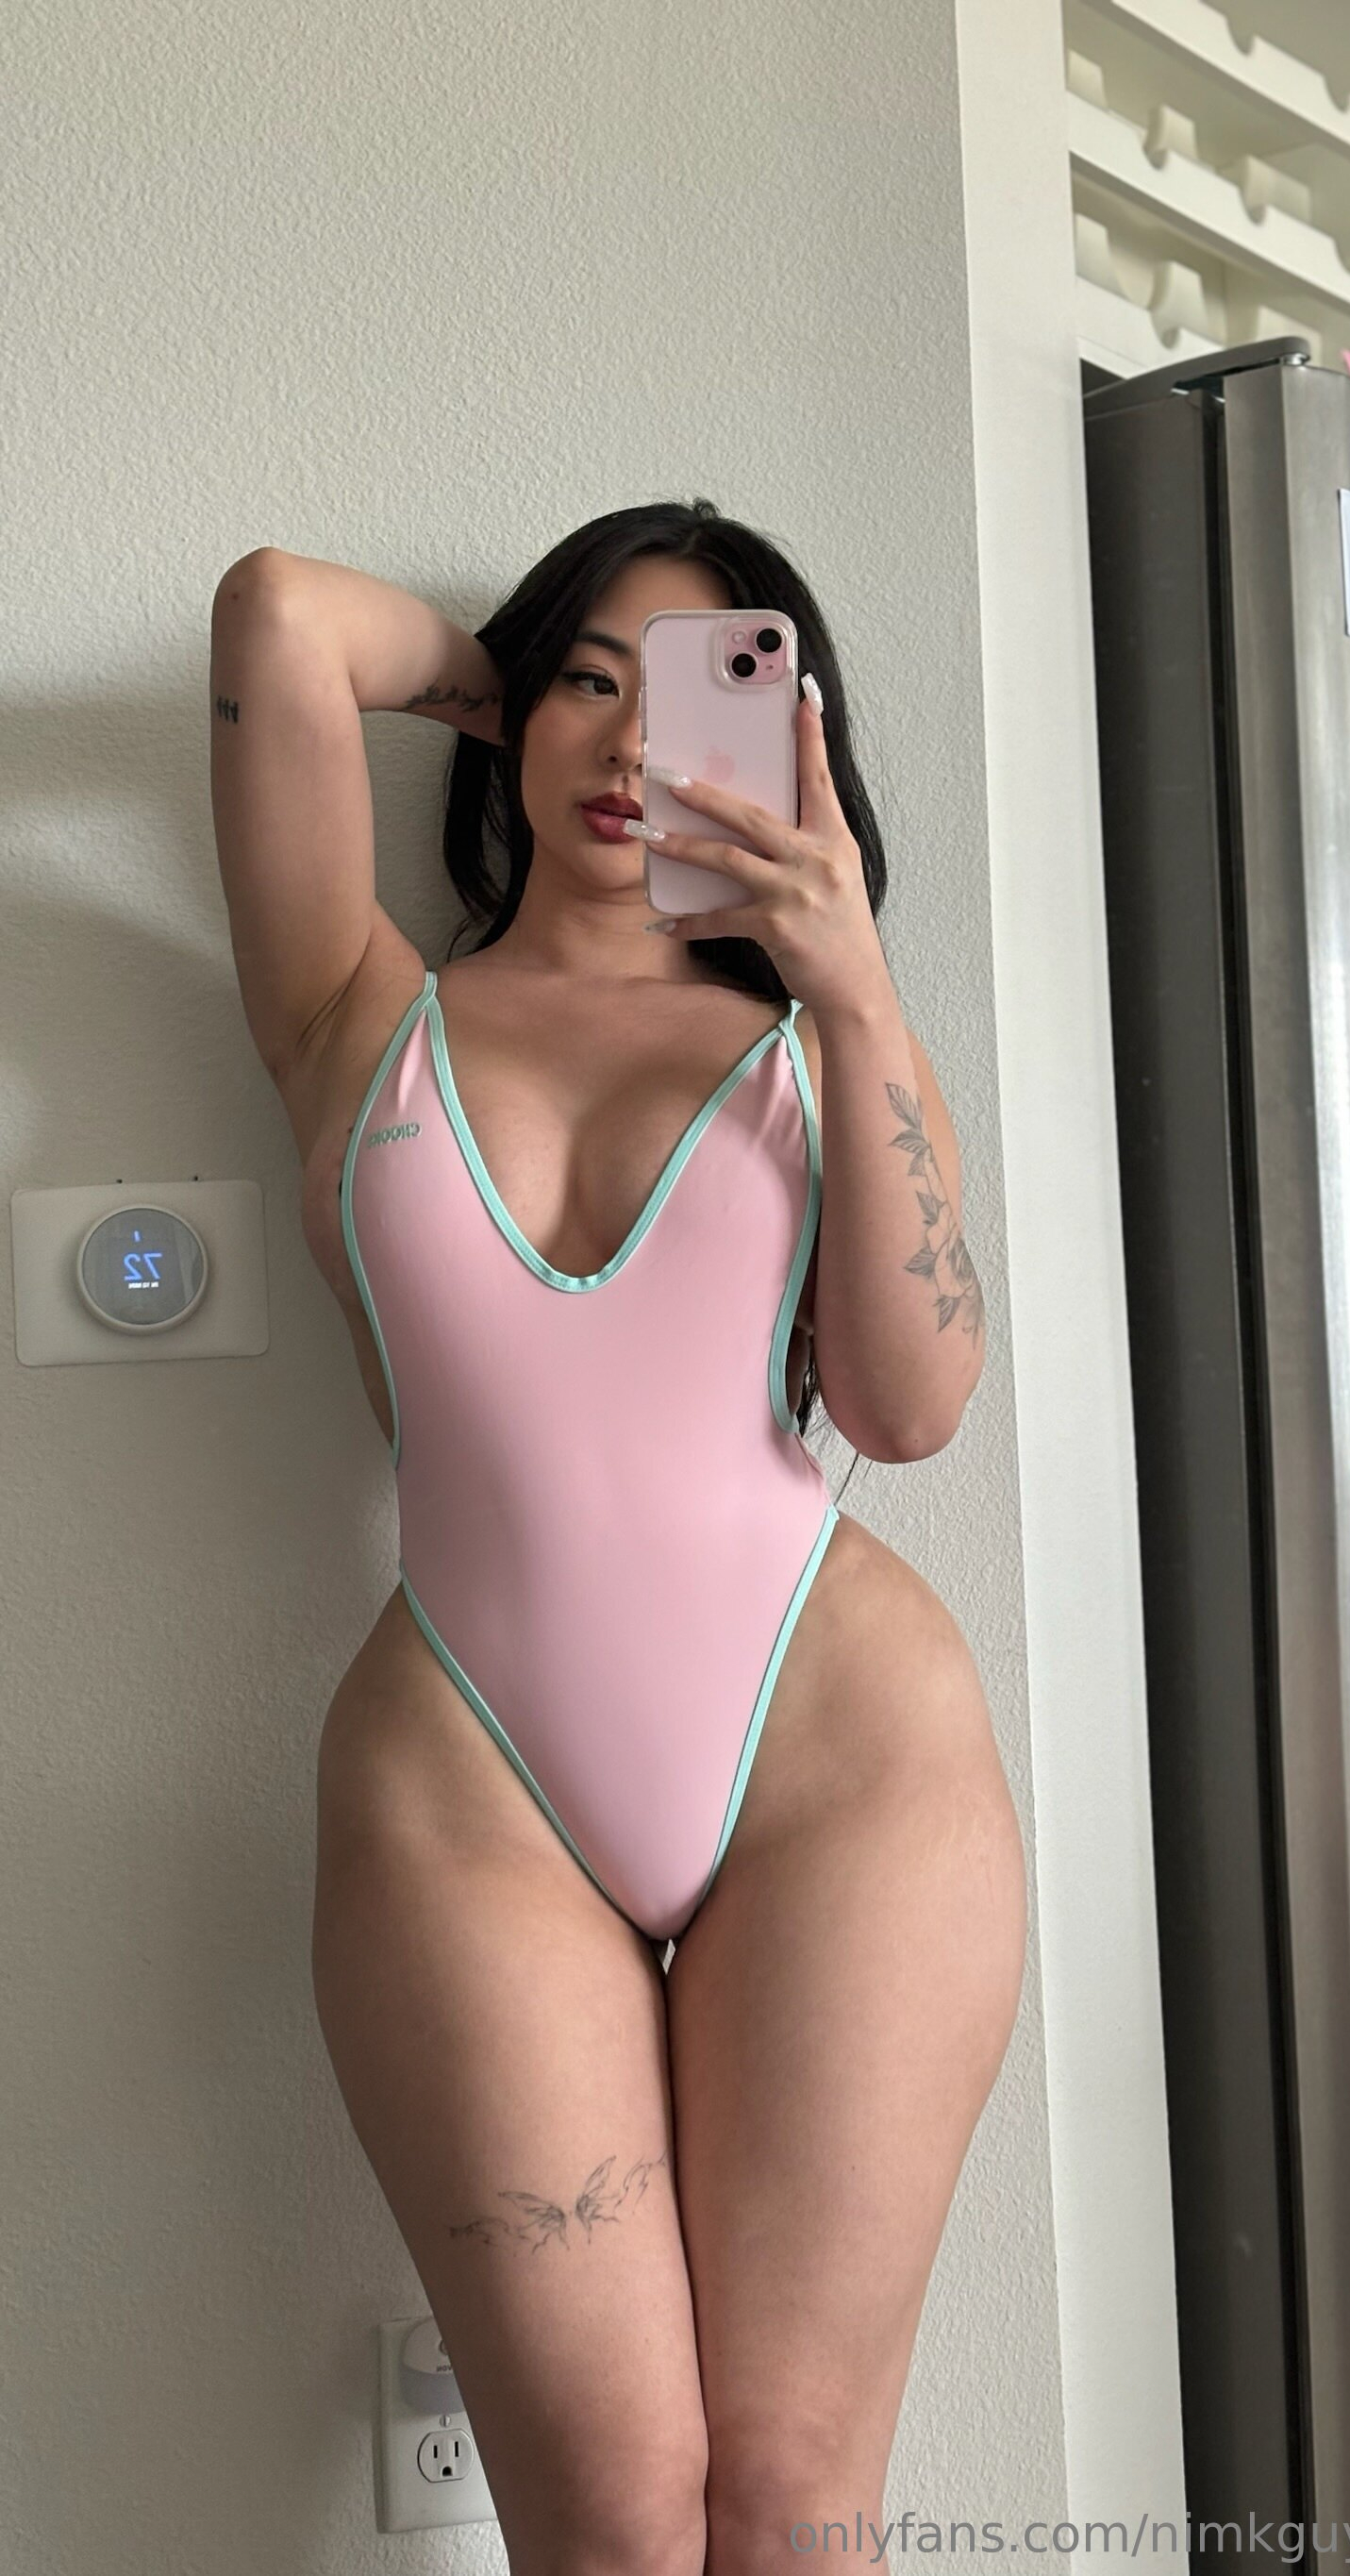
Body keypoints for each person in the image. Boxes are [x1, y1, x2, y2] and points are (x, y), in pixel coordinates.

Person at [209, 501, 1026, 2576]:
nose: (638, 744)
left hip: (837, 1758)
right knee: (611, 2522)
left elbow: (914, 1408)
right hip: (467, 1784)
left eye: (695, 699)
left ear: (787, 745)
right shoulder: (355, 1010)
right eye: (595, 682)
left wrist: (851, 980)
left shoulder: (809, 1048)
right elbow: (283, 623)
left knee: (797, 2503)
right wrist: (532, 684)